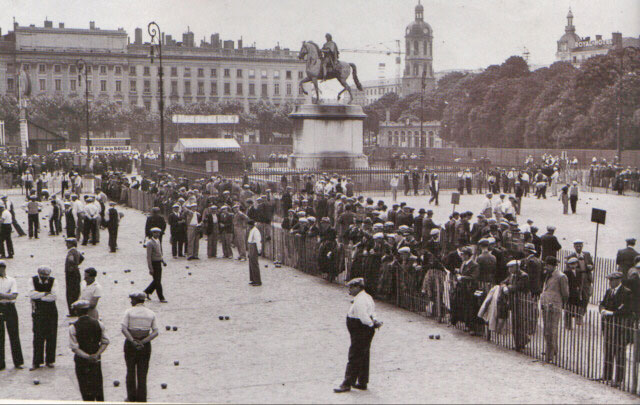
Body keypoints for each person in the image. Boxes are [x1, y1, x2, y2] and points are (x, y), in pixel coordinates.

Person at [334, 278, 382, 393]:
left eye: (351, 287)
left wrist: (371, 324)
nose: (349, 290)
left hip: (361, 328)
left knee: (354, 355)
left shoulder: (360, 300)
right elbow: (372, 312)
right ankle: (362, 381)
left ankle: (347, 383)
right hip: (364, 329)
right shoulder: (367, 297)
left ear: (358, 287)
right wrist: (374, 321)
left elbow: (363, 316)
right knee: (364, 355)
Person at [121, 292, 159, 403]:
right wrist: (143, 342)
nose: (130, 301)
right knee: (143, 373)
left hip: (130, 343)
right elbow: (156, 332)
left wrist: (133, 341)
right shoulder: (151, 313)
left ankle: (131, 397)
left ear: (135, 300)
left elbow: (124, 329)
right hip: (145, 345)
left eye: (132, 299)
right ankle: (142, 398)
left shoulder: (128, 312)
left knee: (130, 371)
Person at [69, 299, 109, 402]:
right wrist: (96, 354)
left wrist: (87, 357)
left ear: (76, 311)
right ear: (87, 311)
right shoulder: (99, 323)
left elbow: (74, 348)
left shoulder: (73, 327)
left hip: (81, 361)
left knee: (85, 389)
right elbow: (105, 342)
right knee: (98, 388)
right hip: (96, 360)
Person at [599, 272, 633, 388]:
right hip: (608, 326)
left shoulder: (626, 292)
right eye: (609, 280)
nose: (610, 282)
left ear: (618, 280)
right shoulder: (609, 291)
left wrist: (612, 313)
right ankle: (607, 375)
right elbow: (602, 303)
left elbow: (626, 310)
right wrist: (602, 309)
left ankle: (618, 379)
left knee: (619, 353)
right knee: (608, 350)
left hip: (620, 328)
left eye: (612, 280)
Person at [539, 256, 568, 364]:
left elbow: (565, 293)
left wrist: (560, 304)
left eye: (547, 265)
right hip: (546, 304)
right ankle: (552, 349)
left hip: (554, 306)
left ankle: (550, 353)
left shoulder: (561, 277)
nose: (545, 267)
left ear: (553, 266)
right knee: (546, 328)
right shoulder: (548, 275)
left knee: (552, 330)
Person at [29, 266, 58, 370]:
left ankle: (50, 360)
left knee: (51, 334)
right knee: (37, 335)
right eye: (43, 275)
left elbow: (53, 297)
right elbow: (31, 294)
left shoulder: (53, 281)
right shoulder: (32, 280)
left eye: (47, 275)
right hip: (38, 311)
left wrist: (39, 297)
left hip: (51, 311)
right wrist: (45, 294)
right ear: (39, 274)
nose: (45, 278)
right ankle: (36, 361)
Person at [0, 260, 24, 370]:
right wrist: (7, 295)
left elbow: (14, 296)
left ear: (5, 268)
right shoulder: (11, 282)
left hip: (10, 307)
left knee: (14, 334)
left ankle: (18, 362)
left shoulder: (12, 280)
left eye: (2, 267)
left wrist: (2, 295)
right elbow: (11, 295)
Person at [144, 228, 167, 303]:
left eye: (158, 233)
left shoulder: (158, 241)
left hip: (158, 263)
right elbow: (148, 256)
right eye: (156, 233)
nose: (157, 234)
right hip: (154, 264)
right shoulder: (150, 243)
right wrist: (150, 268)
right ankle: (161, 297)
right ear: (153, 233)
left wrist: (163, 261)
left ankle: (146, 292)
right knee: (157, 282)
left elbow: (159, 253)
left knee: (157, 280)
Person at [64, 237, 84, 317]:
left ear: (71, 244)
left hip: (71, 274)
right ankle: (76, 310)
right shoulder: (76, 251)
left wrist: (72, 267)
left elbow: (71, 260)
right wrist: (77, 264)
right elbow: (82, 258)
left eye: (67, 243)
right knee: (76, 291)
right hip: (76, 272)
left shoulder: (71, 252)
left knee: (70, 292)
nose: (66, 245)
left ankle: (72, 311)